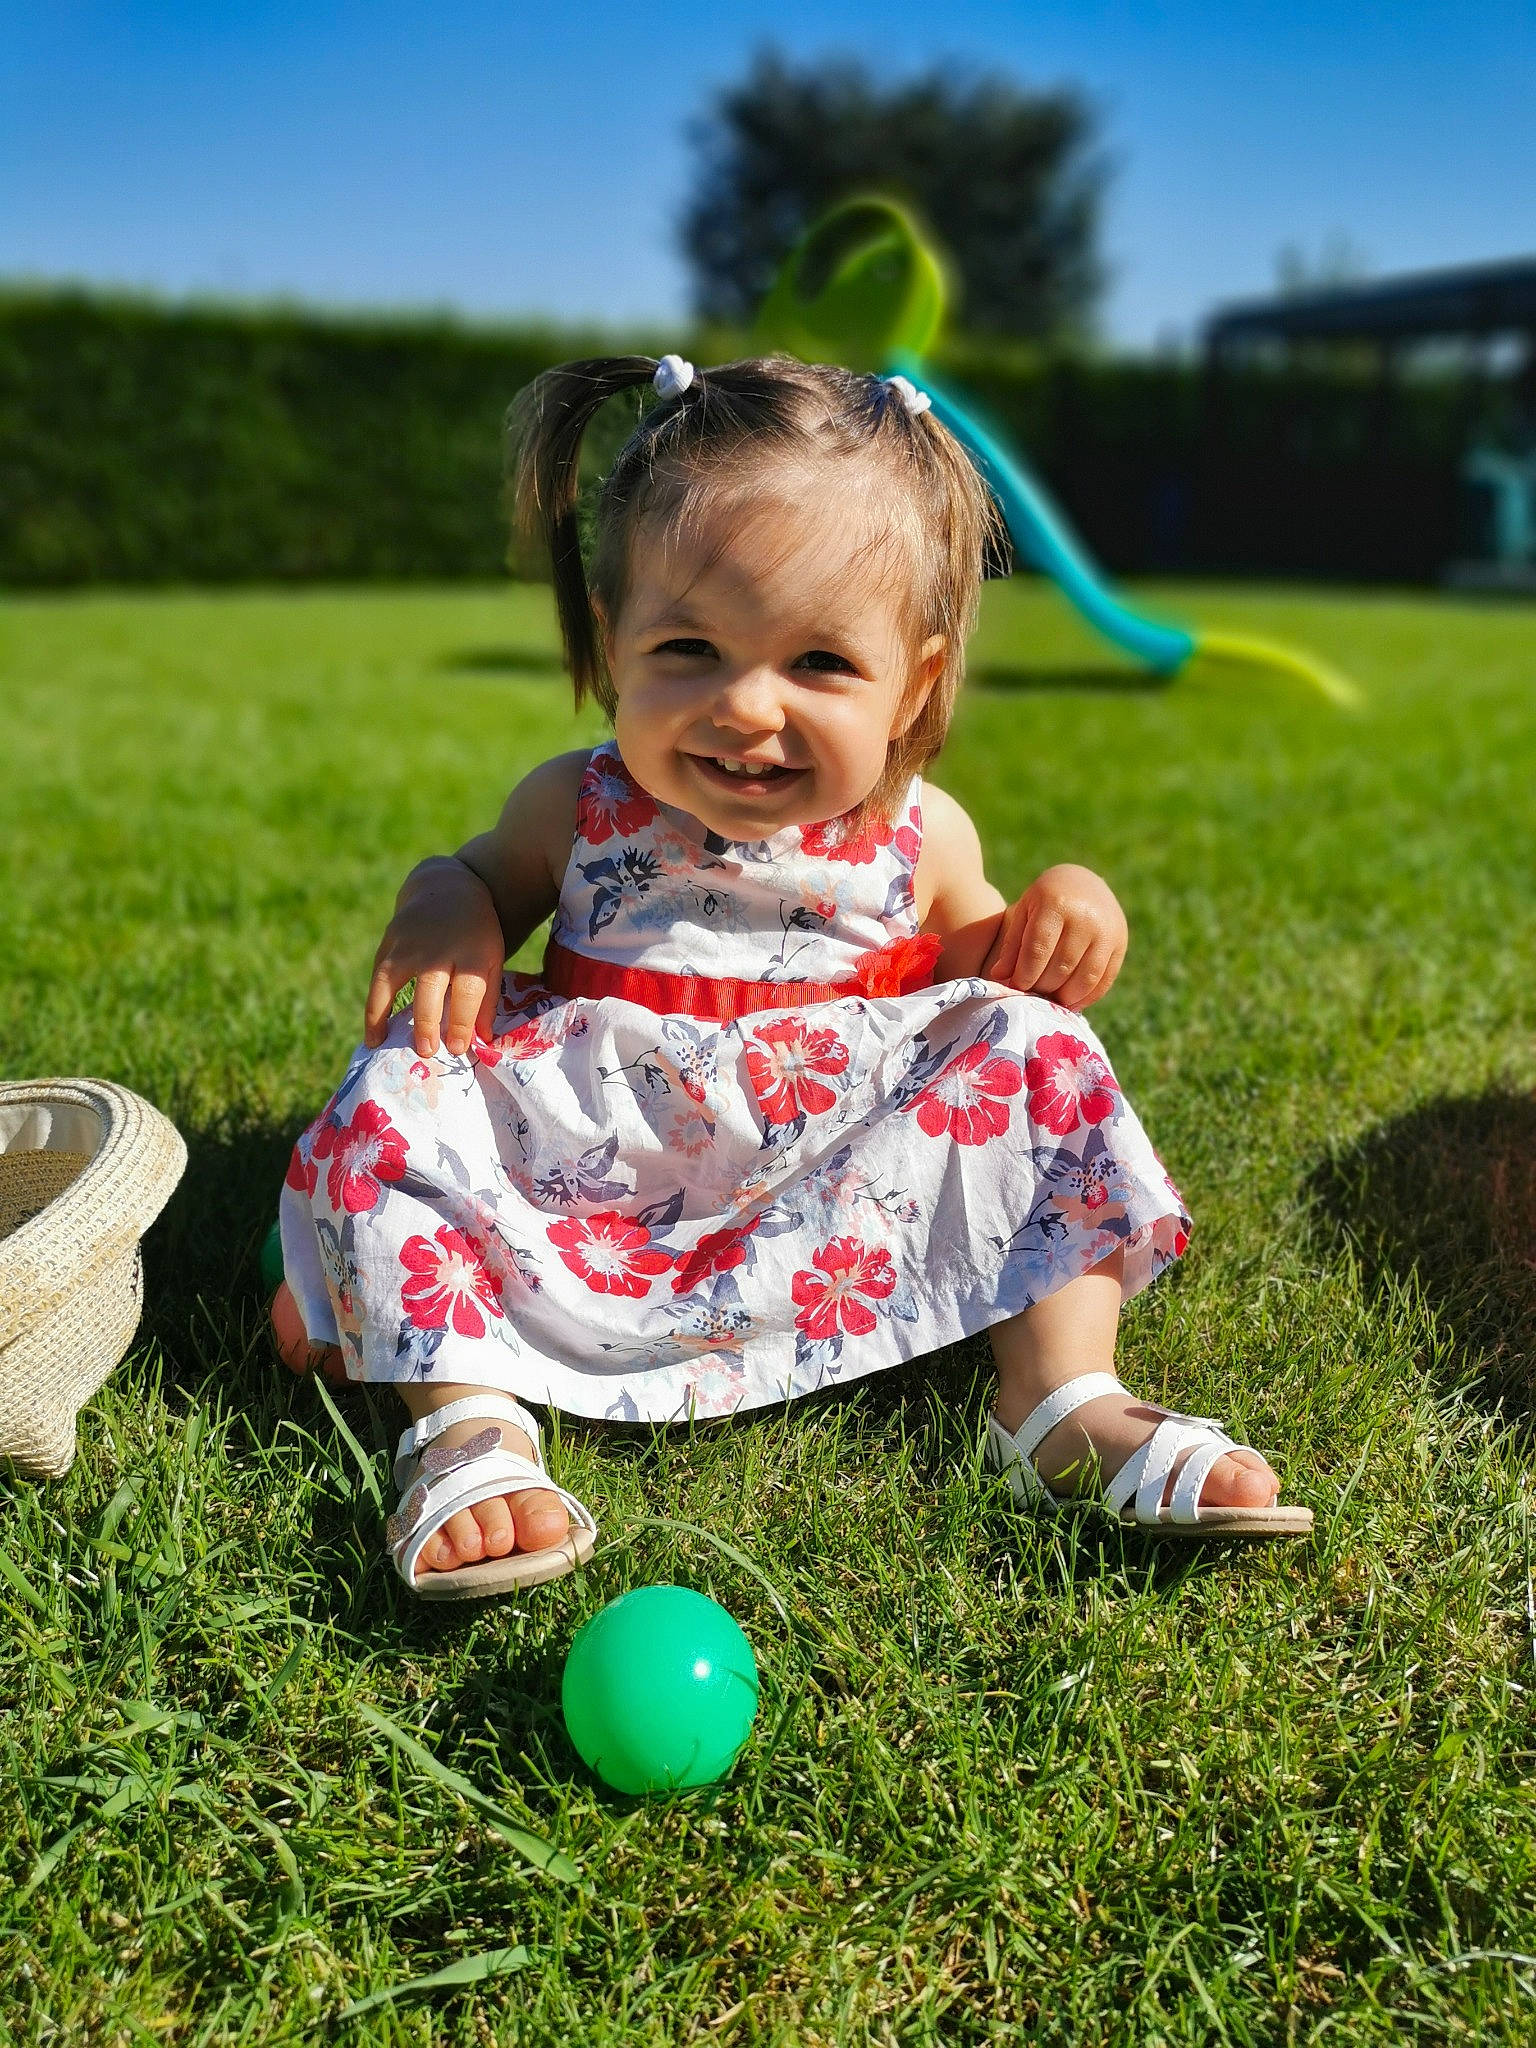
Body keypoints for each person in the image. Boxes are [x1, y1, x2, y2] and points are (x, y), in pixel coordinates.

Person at [272, 352, 1312, 1600]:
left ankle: (1057, 1400)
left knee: (1037, 1047)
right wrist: (451, 906)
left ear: (914, 681)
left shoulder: (924, 833)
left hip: (824, 1178)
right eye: (691, 648)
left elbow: (979, 966)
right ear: (615, 647)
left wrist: (1058, 916)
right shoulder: (577, 802)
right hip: (594, 1163)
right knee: (404, 1078)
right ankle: (469, 1416)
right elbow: (482, 877)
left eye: (820, 663)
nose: (746, 708)